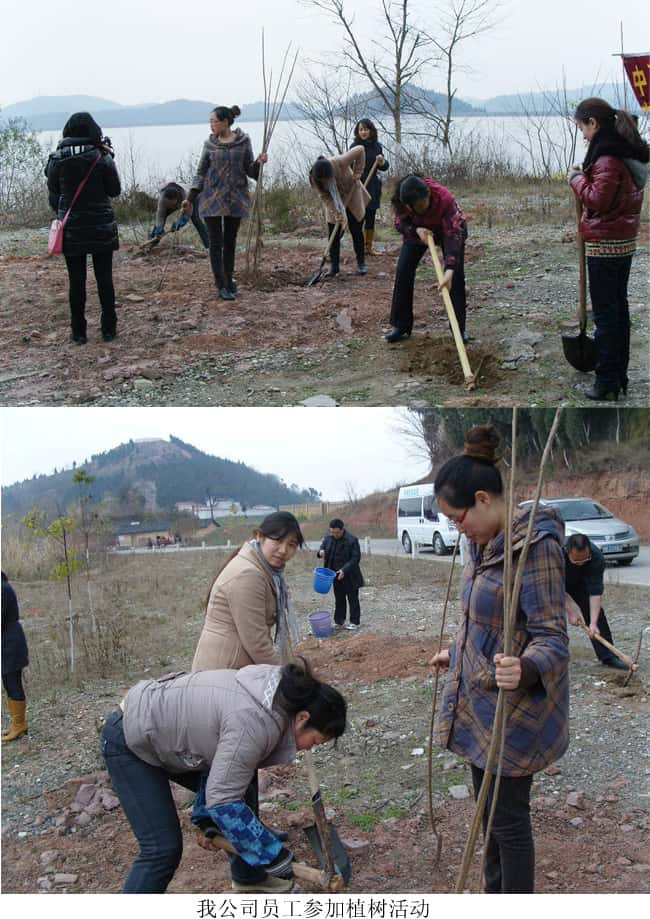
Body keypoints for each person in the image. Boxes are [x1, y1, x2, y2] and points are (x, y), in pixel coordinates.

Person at [430, 424, 569, 894]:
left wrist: (525, 666)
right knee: (487, 814)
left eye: (457, 517)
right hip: (479, 703)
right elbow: (482, 617)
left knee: (508, 822)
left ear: (485, 499)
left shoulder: (536, 548)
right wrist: (458, 651)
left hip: (516, 711)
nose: (456, 527)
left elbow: (552, 637)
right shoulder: (480, 542)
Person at [100, 660, 347, 893]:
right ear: (302, 717)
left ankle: (249, 879)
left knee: (242, 778)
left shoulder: (273, 695)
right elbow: (224, 800)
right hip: (130, 737)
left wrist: (208, 818)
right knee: (161, 850)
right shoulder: (255, 721)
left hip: (167, 733)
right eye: (314, 741)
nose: (308, 749)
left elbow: (227, 766)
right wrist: (272, 855)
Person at [568, 98, 649, 401]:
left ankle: (605, 381)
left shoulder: (607, 158)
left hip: (604, 245)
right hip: (623, 242)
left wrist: (576, 179)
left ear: (593, 123)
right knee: (618, 310)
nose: (583, 135)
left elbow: (597, 200)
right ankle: (619, 376)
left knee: (605, 315)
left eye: (582, 128)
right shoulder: (624, 153)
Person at [192, 511, 304, 672]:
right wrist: (285, 676)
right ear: (259, 536)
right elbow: (257, 643)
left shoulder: (264, 569)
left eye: (291, 544)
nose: (283, 550)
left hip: (235, 664)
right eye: (278, 540)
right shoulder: (248, 574)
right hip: (225, 668)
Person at [45, 112, 121, 344]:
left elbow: (54, 193)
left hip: (72, 228)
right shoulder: (101, 157)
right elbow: (114, 190)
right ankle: (109, 329)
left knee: (76, 281)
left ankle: (78, 332)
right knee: (104, 278)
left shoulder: (57, 158)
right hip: (101, 227)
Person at [182, 106, 267, 301]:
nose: (211, 125)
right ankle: (220, 284)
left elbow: (250, 171)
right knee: (215, 243)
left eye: (214, 121)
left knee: (230, 242)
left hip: (236, 198)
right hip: (211, 198)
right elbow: (201, 172)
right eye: (210, 121)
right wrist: (190, 198)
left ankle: (229, 280)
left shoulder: (243, 142)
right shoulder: (209, 144)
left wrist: (260, 163)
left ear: (225, 122)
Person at [386, 175, 468, 344]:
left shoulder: (445, 200)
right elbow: (399, 223)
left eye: (424, 203)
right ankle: (401, 325)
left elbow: (453, 235)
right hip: (418, 232)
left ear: (429, 194)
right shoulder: (403, 200)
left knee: (456, 276)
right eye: (418, 206)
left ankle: (458, 329)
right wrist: (415, 230)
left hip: (448, 231)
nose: (422, 208)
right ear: (409, 205)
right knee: (403, 269)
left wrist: (449, 270)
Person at [565, 533, 628, 670]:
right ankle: (552, 656)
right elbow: (554, 587)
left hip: (580, 582)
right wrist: (570, 611)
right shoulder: (554, 554)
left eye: (585, 559)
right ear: (567, 551)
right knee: (551, 617)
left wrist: (593, 624)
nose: (581, 563)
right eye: (576, 561)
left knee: (596, 615)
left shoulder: (596, 557)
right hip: (550, 583)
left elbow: (595, 593)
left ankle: (608, 656)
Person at [309, 146, 371, 278]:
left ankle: (361, 263)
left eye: (328, 178)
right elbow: (324, 197)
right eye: (323, 180)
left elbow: (360, 149)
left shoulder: (339, 162)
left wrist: (358, 171)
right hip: (334, 201)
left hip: (352, 194)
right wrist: (335, 211)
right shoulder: (314, 178)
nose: (326, 182)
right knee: (333, 233)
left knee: (356, 231)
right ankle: (334, 267)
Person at [317, 518, 364, 630]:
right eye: (332, 532)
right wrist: (320, 552)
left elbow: (355, 558)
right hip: (334, 575)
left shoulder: (352, 540)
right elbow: (320, 551)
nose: (335, 535)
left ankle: (354, 622)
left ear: (342, 530)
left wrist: (344, 570)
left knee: (353, 599)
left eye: (337, 532)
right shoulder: (328, 539)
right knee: (339, 599)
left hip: (350, 574)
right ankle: (339, 621)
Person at [350, 119, 389, 256]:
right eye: (361, 129)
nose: (363, 132)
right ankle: (359, 247)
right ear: (357, 131)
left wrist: (382, 161)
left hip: (372, 185)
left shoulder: (377, 146)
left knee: (371, 215)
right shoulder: (354, 146)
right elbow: (348, 166)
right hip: (358, 185)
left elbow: (384, 167)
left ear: (371, 131)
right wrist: (354, 178)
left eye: (366, 129)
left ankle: (369, 247)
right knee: (359, 216)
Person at [2, 572, 29, 742]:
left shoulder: (2, 589)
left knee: (13, 682)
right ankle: (16, 723)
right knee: (8, 682)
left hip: (11, 642)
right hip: (6, 640)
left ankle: (20, 724)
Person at [149, 182, 209, 248]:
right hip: (174, 201)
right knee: (158, 226)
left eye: (171, 204)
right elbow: (160, 216)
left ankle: (208, 245)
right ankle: (151, 243)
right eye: (167, 204)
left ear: (176, 199)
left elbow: (188, 213)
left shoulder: (185, 196)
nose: (170, 207)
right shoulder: (162, 200)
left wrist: (180, 222)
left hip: (192, 197)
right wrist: (159, 227)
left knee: (196, 219)